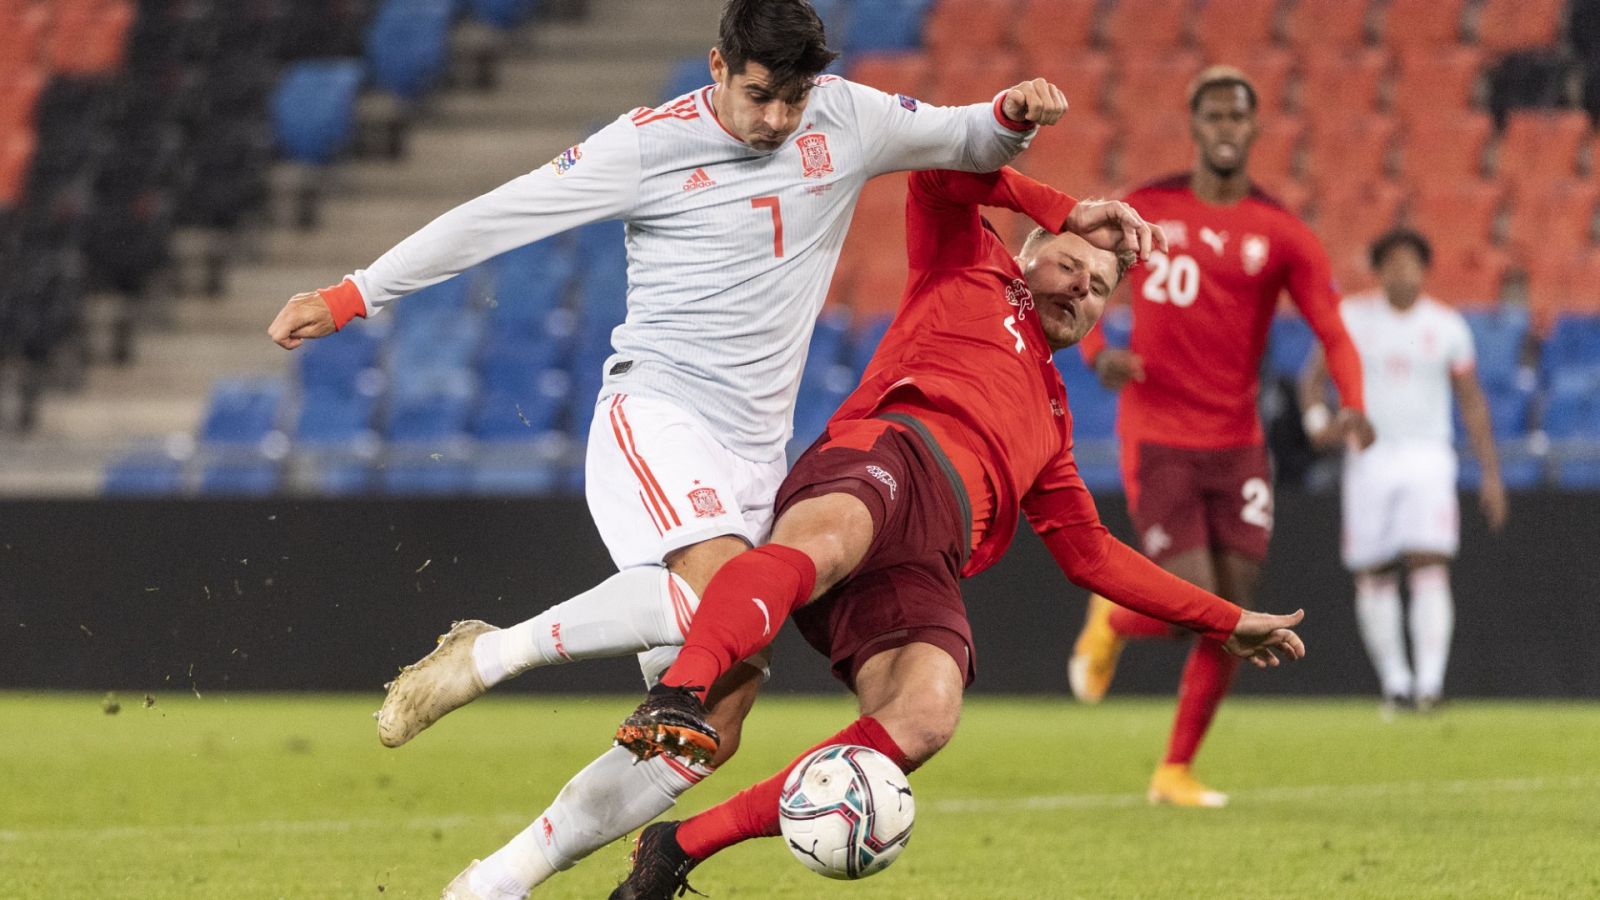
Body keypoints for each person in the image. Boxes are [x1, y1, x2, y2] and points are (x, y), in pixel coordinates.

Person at [265, 2, 1072, 894]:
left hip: (757, 460)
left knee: (711, 727)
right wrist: (357, 293)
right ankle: (492, 654)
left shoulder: (844, 115)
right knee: (723, 603)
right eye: (760, 95)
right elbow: (501, 215)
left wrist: (1011, 115)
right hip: (658, 414)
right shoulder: (648, 145)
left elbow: (968, 140)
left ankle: (490, 884)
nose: (775, 120)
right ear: (718, 67)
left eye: (791, 100)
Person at [605, 165, 1308, 899]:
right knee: (829, 541)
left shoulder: (1054, 422)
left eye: (1099, 288)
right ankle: (680, 694)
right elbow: (938, 177)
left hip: (930, 558)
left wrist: (1225, 620)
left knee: (927, 715)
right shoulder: (971, 264)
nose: (1079, 288)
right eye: (1070, 264)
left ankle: (676, 850)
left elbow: (1092, 555)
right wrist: (1066, 201)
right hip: (891, 454)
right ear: (1030, 255)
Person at [1065, 66, 1373, 808]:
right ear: (1196, 126)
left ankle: (1174, 770)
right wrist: (1097, 349)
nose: (1227, 127)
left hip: (1238, 444)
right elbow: (1074, 272)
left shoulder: (1281, 232)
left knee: (1238, 611)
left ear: (1254, 128)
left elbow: (1333, 328)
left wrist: (1355, 403)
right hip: (1161, 431)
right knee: (1199, 601)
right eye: (1214, 116)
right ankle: (1112, 616)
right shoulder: (1146, 209)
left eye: (1240, 115)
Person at [1300, 228, 1507, 714]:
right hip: (1368, 454)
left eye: (1411, 262)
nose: (1402, 272)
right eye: (1392, 263)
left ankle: (1430, 685)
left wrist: (1491, 474)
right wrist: (1317, 424)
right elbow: (1312, 379)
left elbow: (1472, 403)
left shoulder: (1447, 325)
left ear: (1425, 268)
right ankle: (1396, 682)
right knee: (1373, 570)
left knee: (1429, 561)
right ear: (1378, 270)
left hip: (1427, 456)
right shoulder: (1351, 317)